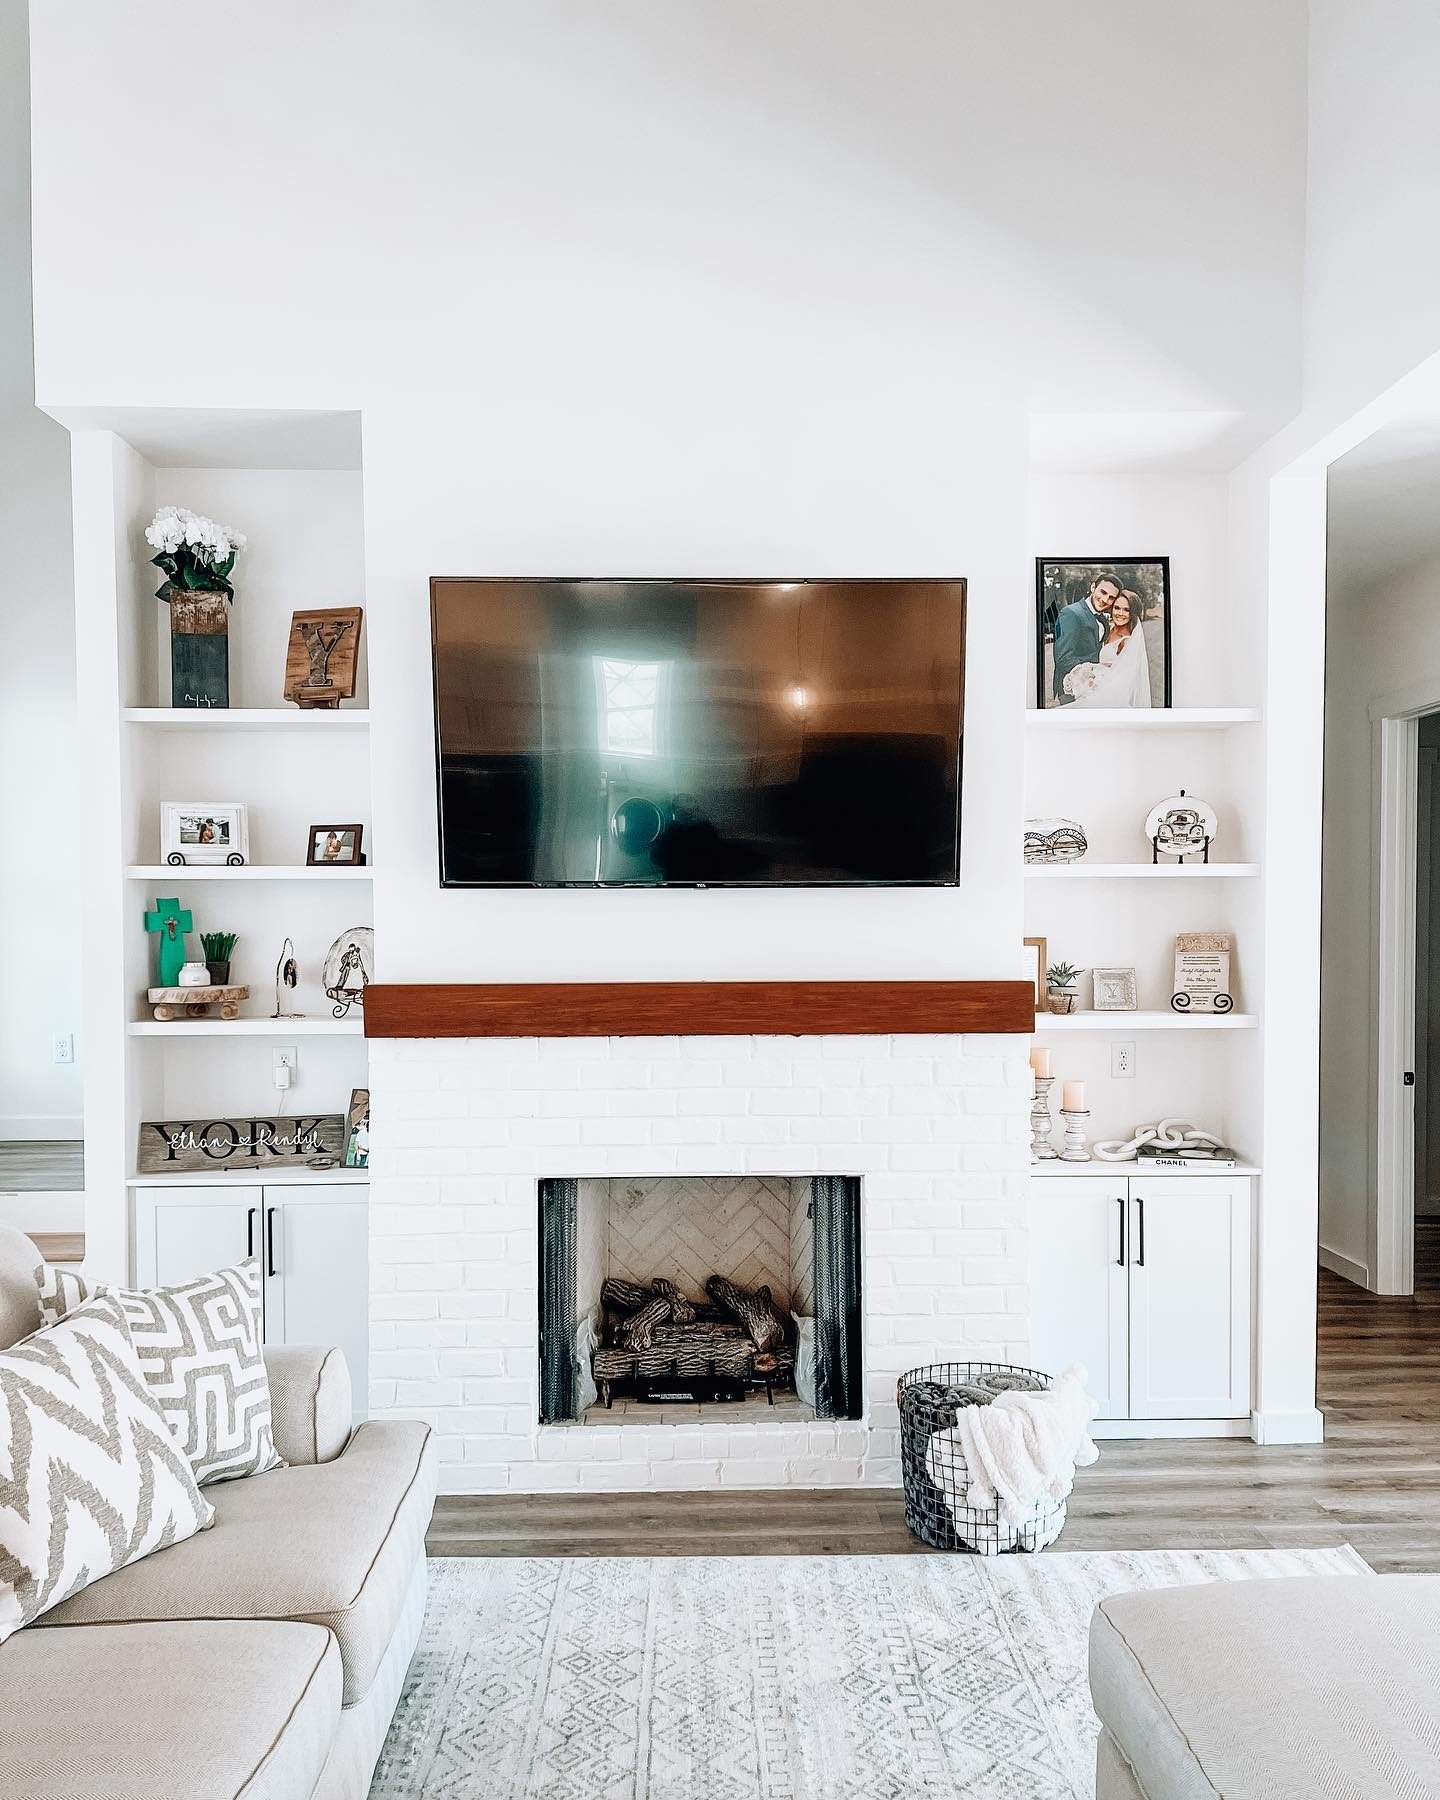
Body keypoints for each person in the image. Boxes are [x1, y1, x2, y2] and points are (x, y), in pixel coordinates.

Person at [1066, 588, 1152, 708]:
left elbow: (1123, 682)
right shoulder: (1109, 629)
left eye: (1126, 610)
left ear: (1133, 614)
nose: (1120, 613)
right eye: (1117, 608)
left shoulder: (1126, 642)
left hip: (1109, 699)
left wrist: (1091, 689)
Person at [1050, 574, 1119, 704]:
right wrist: (1097, 668)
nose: (1105, 600)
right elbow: (1063, 658)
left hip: (1092, 686)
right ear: (1093, 587)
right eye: (1103, 592)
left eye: (1111, 598)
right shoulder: (1070, 613)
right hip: (1071, 687)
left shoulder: (1102, 618)